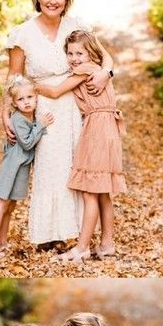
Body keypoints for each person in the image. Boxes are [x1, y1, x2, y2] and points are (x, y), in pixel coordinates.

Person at [3, 0, 116, 249]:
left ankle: (78, 233)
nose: (53, 1)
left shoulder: (76, 27)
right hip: (43, 111)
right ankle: (49, 234)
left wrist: (106, 73)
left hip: (76, 108)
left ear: (66, 0)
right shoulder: (23, 32)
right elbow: (14, 78)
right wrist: (5, 115)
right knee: (49, 168)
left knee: (79, 168)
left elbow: (105, 57)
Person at [34, 31, 126, 263]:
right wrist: (95, 40)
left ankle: (83, 247)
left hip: (97, 129)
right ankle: (107, 245)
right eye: (70, 53)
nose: (74, 58)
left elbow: (55, 92)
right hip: (107, 128)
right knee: (103, 191)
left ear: (90, 52)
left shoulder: (86, 70)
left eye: (79, 53)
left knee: (90, 191)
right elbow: (105, 56)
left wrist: (32, 86)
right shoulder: (99, 67)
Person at [0, 76, 55, 259]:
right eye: (21, 100)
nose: (26, 102)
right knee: (1, 203)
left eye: (29, 97)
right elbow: (27, 143)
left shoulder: (29, 116)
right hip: (12, 167)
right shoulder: (17, 119)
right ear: (14, 103)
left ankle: (1, 242)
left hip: (21, 168)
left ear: (36, 97)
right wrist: (41, 126)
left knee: (11, 206)